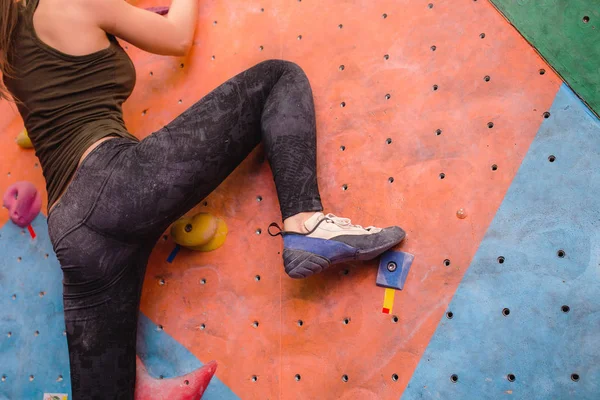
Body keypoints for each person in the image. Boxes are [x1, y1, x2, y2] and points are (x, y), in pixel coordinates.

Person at [0, 0, 406, 398]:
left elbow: (65, 82)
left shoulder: (9, 44)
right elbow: (177, 37)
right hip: (115, 185)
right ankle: (307, 225)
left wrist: (120, 19)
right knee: (277, 78)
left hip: (71, 233)